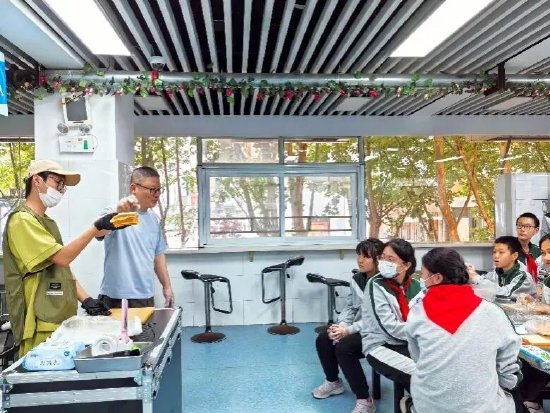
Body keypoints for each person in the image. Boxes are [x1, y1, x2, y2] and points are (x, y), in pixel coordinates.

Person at [2, 160, 122, 356]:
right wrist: (95, 228)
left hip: (56, 313)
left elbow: (60, 269)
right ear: (37, 181)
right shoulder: (22, 220)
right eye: (57, 182)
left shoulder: (46, 222)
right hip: (39, 317)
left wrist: (87, 300)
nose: (60, 189)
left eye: (63, 185)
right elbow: (62, 258)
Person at [403, 247, 521, 413]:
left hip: (428, 405)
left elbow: (417, 357)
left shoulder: (417, 313)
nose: (421, 279)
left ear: (437, 278)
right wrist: (505, 382)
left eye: (422, 273)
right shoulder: (491, 312)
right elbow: (508, 360)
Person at [312, 238, 384, 413]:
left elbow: (376, 317)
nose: (360, 260)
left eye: (366, 256)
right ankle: (333, 382)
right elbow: (350, 306)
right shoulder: (357, 279)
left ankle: (365, 400)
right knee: (324, 338)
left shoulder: (384, 282)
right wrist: (341, 326)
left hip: (378, 332)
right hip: (359, 328)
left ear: (378, 259)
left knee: (344, 347)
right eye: (359, 255)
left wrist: (348, 331)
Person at [97, 166, 174, 308]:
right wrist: (118, 214)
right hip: (115, 297)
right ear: (134, 188)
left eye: (159, 190)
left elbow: (158, 255)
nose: (157, 194)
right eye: (152, 189)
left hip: (145, 296)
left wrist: (167, 286)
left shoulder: (153, 219)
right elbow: (97, 232)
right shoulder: (115, 211)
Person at [361, 239, 421, 396]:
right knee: (418, 374)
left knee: (438, 368)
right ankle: (412, 404)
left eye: (391, 259)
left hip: (410, 340)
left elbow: (426, 316)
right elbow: (390, 328)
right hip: (380, 344)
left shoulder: (416, 285)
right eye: (382, 257)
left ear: (406, 265)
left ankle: (420, 403)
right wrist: (422, 332)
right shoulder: (375, 285)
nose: (383, 262)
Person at [518, 233, 550, 413]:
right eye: (544, 253)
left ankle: (530, 400)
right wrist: (535, 302)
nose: (546, 258)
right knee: (526, 358)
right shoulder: (547, 277)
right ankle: (530, 401)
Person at [468, 236, 536, 301]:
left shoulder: (523, 277)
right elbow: (485, 278)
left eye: (501, 252)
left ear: (514, 256)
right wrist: (468, 271)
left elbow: (505, 294)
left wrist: (476, 277)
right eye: (494, 252)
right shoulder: (498, 272)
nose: (496, 256)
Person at [516, 212, 541, 281]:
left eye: (527, 226)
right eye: (519, 225)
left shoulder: (538, 251)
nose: (522, 229)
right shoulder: (508, 249)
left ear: (536, 230)